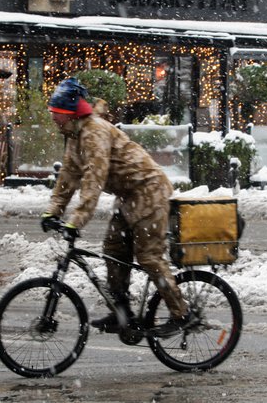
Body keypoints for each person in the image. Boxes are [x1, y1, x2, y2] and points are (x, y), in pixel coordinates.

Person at [41, 78, 196, 338]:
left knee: (149, 257)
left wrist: (76, 220)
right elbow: (67, 177)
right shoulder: (73, 136)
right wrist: (53, 211)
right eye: (52, 114)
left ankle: (182, 314)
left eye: (57, 114)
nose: (54, 119)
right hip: (127, 196)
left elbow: (94, 177)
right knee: (113, 249)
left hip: (150, 190)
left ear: (70, 114)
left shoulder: (94, 132)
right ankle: (122, 312)